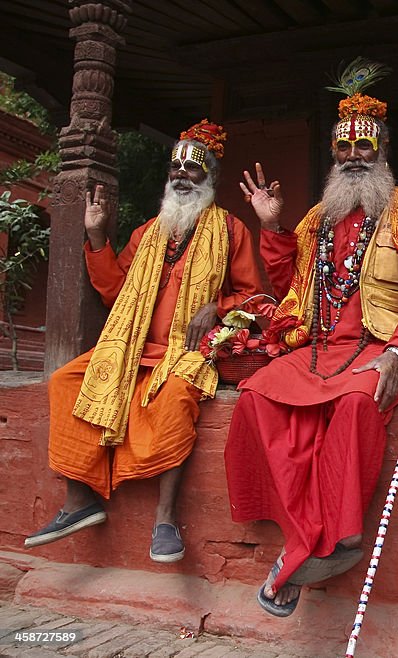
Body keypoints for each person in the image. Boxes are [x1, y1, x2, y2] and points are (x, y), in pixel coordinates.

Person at [226, 58, 398, 617]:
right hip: (317, 350)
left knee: (356, 404)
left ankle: (338, 539)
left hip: (378, 350)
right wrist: (273, 227)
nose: (354, 157)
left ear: (383, 153)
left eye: (364, 148)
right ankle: (306, 536)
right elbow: (288, 283)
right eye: (344, 148)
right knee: (255, 396)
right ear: (333, 155)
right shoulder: (316, 218)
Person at [25, 120, 263, 561]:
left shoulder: (232, 231)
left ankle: (165, 519)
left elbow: (252, 298)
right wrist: (97, 235)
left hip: (189, 353)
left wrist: (217, 307)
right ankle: (80, 501)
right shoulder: (147, 233)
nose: (181, 176)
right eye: (175, 168)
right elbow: (115, 289)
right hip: (132, 347)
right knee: (64, 380)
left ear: (210, 176)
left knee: (175, 396)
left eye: (193, 169)